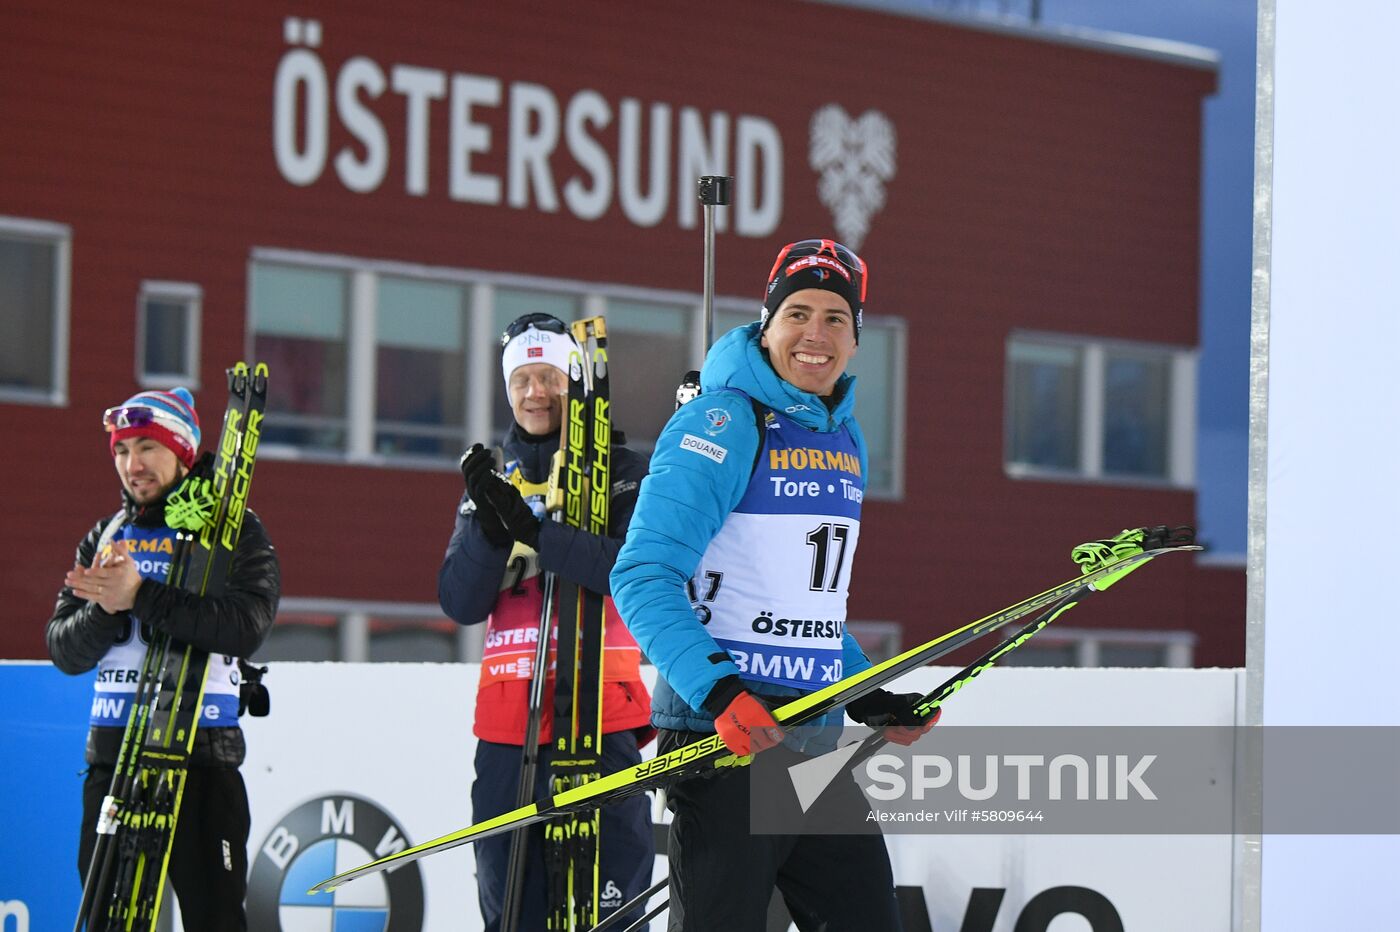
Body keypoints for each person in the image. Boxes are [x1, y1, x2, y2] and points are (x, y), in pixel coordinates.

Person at [611, 239, 937, 931]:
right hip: (726, 742)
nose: (814, 335)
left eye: (834, 319)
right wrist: (721, 691)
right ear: (767, 323)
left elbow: (805, 607)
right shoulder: (721, 422)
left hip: (813, 739)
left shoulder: (844, 439)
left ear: (855, 339)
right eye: (797, 313)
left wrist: (871, 694)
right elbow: (641, 573)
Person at [438, 313, 655, 931]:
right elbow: (459, 602)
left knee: (610, 914)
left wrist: (540, 533)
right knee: (514, 915)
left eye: (550, 377)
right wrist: (488, 527)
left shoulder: (626, 472)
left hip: (600, 718)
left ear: (575, 383)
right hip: (509, 730)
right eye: (521, 380)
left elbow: (632, 571)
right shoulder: (495, 477)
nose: (535, 392)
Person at [46, 387, 280, 930]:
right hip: (112, 759)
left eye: (147, 447)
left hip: (200, 760)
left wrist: (141, 597)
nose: (133, 464)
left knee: (214, 917)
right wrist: (107, 609)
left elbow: (247, 627)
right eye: (123, 450)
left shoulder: (232, 530)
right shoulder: (106, 535)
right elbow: (64, 649)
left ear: (182, 451)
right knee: (108, 918)